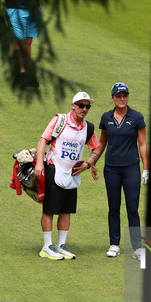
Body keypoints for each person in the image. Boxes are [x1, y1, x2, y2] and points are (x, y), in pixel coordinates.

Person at [34, 92, 100, 260]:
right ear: (73, 105)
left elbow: (96, 148)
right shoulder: (60, 120)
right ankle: (47, 246)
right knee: (50, 209)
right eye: (81, 105)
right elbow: (43, 140)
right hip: (54, 168)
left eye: (87, 106)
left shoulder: (88, 128)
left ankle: (60, 245)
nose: (84, 109)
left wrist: (89, 164)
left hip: (72, 173)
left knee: (66, 210)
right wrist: (40, 163)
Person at [89, 82, 149, 260]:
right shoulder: (106, 118)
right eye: (118, 96)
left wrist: (146, 169)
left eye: (124, 95)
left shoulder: (137, 117)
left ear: (127, 97)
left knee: (132, 208)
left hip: (131, 168)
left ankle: (137, 248)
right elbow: (102, 144)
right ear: (112, 98)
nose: (122, 99)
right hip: (112, 169)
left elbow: (143, 144)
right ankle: (114, 244)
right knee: (113, 207)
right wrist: (92, 162)